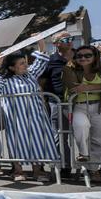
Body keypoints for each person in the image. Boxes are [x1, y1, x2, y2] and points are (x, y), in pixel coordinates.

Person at [0, 43, 58, 182]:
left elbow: (41, 61)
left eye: (25, 62)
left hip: (36, 115)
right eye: (21, 63)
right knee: (16, 142)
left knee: (38, 141)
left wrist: (41, 42)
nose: (25, 65)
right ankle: (18, 171)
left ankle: (37, 171)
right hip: (15, 117)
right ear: (12, 67)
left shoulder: (31, 75)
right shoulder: (4, 80)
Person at [62, 45, 101, 179]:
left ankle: (94, 170)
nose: (83, 58)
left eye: (88, 55)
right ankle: (84, 154)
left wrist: (89, 87)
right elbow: (73, 88)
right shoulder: (68, 68)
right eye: (79, 56)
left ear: (95, 56)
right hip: (78, 106)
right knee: (80, 126)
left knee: (98, 139)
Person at [41, 32, 75, 172]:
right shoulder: (50, 60)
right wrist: (44, 100)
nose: (69, 41)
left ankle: (92, 168)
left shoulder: (81, 55)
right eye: (65, 39)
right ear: (56, 44)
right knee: (59, 135)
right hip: (57, 103)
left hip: (81, 102)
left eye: (71, 39)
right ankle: (63, 166)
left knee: (85, 135)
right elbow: (42, 82)